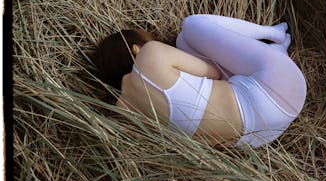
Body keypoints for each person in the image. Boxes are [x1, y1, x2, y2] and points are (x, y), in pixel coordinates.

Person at [94, 14, 307, 148]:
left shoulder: (125, 112)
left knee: (183, 42)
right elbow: (213, 72)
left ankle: (275, 52)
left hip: (265, 133)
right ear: (136, 49)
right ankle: (273, 35)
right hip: (283, 84)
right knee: (191, 25)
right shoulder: (150, 54)